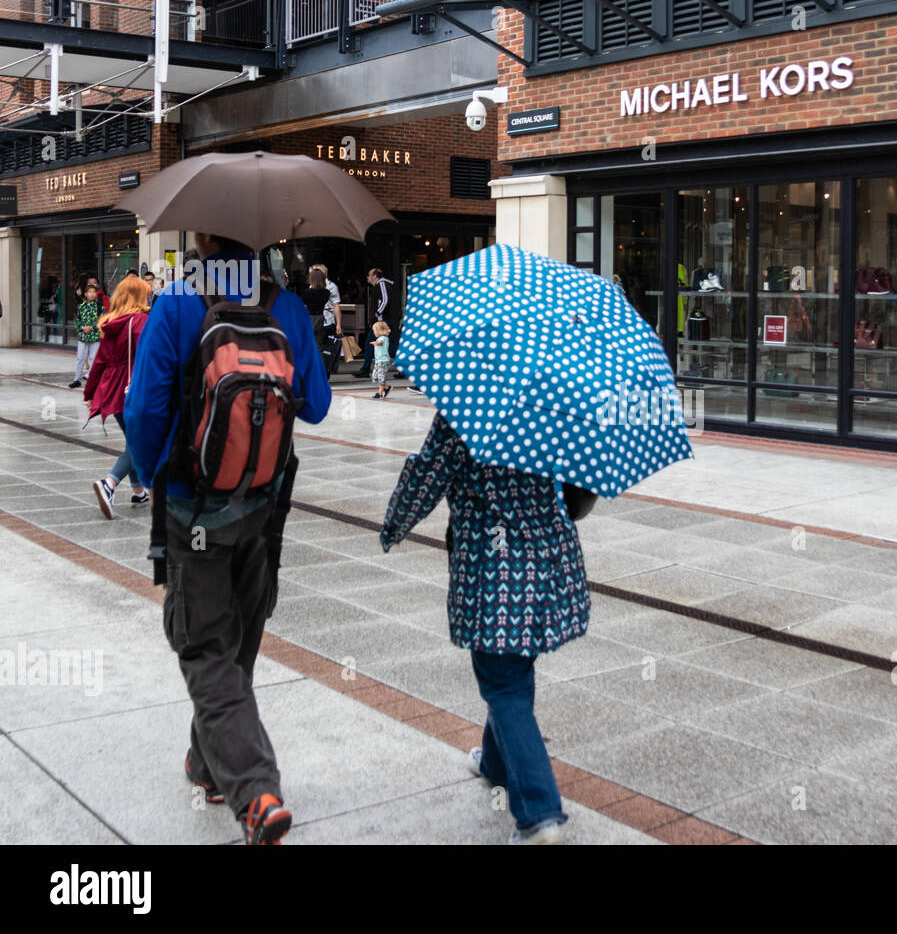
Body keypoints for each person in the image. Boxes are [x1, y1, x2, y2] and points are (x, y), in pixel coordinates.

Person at [125, 232, 331, 846]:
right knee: (235, 635)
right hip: (264, 508)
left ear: (205, 239)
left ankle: (255, 789)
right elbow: (316, 404)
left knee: (203, 644)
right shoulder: (285, 306)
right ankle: (206, 764)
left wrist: (151, 471)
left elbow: (143, 411)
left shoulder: (179, 300)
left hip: (193, 508)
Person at [379, 413, 591, 845]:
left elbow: (428, 475)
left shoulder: (469, 407)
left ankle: (539, 815)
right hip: (552, 560)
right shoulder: (557, 403)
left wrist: (393, 526)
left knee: (503, 683)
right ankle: (496, 765)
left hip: (496, 573)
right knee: (513, 672)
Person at [84, 277, 151, 518]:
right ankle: (109, 483)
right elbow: (149, 358)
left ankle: (138, 489)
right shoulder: (141, 321)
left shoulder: (109, 322)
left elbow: (99, 362)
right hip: (134, 388)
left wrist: (89, 392)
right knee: (140, 442)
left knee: (133, 439)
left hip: (113, 390)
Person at [352, 267, 396, 378]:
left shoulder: (381, 284)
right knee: (387, 346)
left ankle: (365, 369)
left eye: (369, 274)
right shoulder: (380, 285)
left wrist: (377, 313)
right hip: (381, 321)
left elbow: (385, 299)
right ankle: (365, 369)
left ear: (375, 276)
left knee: (386, 347)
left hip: (381, 322)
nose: (367, 277)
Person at [68, 282, 103, 388]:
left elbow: (103, 321)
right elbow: (77, 321)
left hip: (95, 337)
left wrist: (92, 327)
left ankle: (92, 379)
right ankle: (76, 379)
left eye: (94, 292)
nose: (92, 294)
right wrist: (82, 328)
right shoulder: (81, 307)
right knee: (80, 359)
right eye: (90, 292)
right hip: (83, 337)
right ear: (86, 294)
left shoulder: (99, 307)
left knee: (93, 358)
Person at [370, 320, 392, 399]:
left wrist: (375, 343)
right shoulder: (380, 338)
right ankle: (386, 387)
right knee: (375, 377)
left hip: (383, 361)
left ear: (380, 331)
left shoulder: (383, 338)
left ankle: (379, 393)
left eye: (374, 330)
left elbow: (380, 343)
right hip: (378, 361)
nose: (374, 332)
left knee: (381, 377)